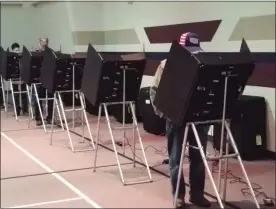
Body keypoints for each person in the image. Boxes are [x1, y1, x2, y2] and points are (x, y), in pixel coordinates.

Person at [150, 32, 211, 208]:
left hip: (198, 118)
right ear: (181, 49)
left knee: (198, 158)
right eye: (189, 50)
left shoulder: (203, 64)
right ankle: (178, 196)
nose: (192, 54)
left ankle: (197, 195)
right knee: (176, 159)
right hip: (175, 119)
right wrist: (164, 114)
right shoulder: (166, 65)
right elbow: (155, 91)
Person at [32, 37, 54, 126]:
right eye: (42, 41)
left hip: (49, 78)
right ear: (39, 42)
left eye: (46, 41)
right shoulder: (36, 53)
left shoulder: (51, 52)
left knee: (50, 98)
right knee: (38, 99)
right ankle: (39, 118)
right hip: (39, 78)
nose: (44, 43)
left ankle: (50, 117)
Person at [11, 43, 28, 116]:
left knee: (24, 92)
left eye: (18, 50)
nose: (17, 51)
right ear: (12, 51)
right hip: (14, 76)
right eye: (16, 50)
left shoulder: (22, 57)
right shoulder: (11, 58)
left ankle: (25, 110)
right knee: (16, 94)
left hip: (22, 76)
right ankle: (17, 110)